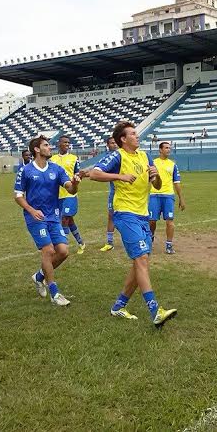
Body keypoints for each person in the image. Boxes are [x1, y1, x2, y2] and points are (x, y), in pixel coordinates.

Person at [90, 121, 177, 327]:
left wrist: (155, 178)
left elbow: (155, 184)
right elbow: (94, 173)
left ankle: (118, 306)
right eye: (133, 134)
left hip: (142, 215)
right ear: (123, 139)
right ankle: (155, 310)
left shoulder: (145, 156)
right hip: (125, 213)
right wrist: (119, 176)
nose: (137, 137)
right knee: (141, 260)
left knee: (141, 262)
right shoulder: (118, 155)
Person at [15, 135, 81, 306]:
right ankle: (55, 292)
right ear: (37, 149)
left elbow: (70, 188)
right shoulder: (26, 170)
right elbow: (18, 196)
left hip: (53, 216)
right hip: (35, 216)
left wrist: (75, 183)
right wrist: (31, 209)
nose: (49, 147)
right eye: (46, 145)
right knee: (48, 251)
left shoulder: (57, 169)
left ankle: (39, 277)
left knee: (63, 251)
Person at [50, 135, 86, 254]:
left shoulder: (74, 158)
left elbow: (77, 174)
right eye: (64, 142)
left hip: (70, 193)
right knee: (69, 220)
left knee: (64, 219)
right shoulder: (52, 159)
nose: (67, 144)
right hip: (57, 195)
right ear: (59, 144)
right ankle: (81, 242)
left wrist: (78, 177)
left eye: (68, 142)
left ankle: (62, 246)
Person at [149, 142, 185, 254]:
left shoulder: (173, 165)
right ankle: (150, 240)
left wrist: (181, 198)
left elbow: (177, 182)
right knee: (151, 221)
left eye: (170, 148)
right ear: (160, 150)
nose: (169, 150)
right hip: (154, 195)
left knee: (170, 221)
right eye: (166, 148)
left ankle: (169, 245)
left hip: (168, 196)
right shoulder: (153, 163)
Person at [100, 136, 118, 252]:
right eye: (112, 143)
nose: (114, 145)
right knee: (111, 215)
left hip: (128, 193)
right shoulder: (107, 159)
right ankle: (110, 242)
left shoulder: (123, 156)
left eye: (116, 142)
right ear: (108, 145)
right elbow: (98, 171)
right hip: (114, 192)